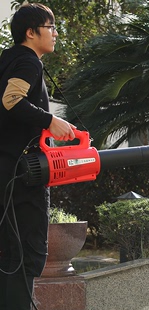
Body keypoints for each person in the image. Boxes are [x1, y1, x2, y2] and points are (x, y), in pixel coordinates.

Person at [0, 3, 76, 310]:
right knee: (28, 256)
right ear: (31, 33)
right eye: (51, 27)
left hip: (8, 172)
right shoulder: (28, 61)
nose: (56, 34)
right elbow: (10, 100)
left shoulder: (7, 59)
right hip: (23, 177)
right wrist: (50, 120)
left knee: (10, 255)